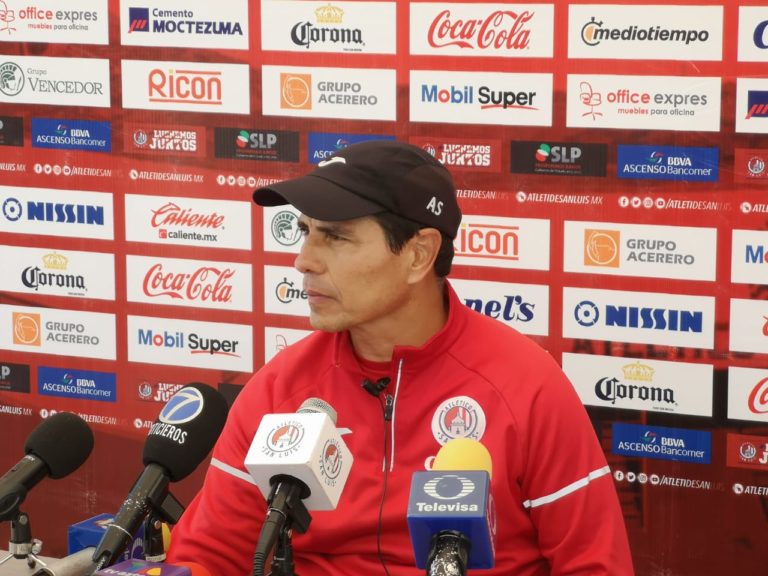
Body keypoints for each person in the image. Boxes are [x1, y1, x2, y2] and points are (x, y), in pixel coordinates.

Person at [167, 140, 635, 575]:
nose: (304, 260)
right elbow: (207, 554)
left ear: (419, 255)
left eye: (336, 237)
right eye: (305, 232)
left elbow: (595, 566)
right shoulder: (279, 389)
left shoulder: (527, 386)